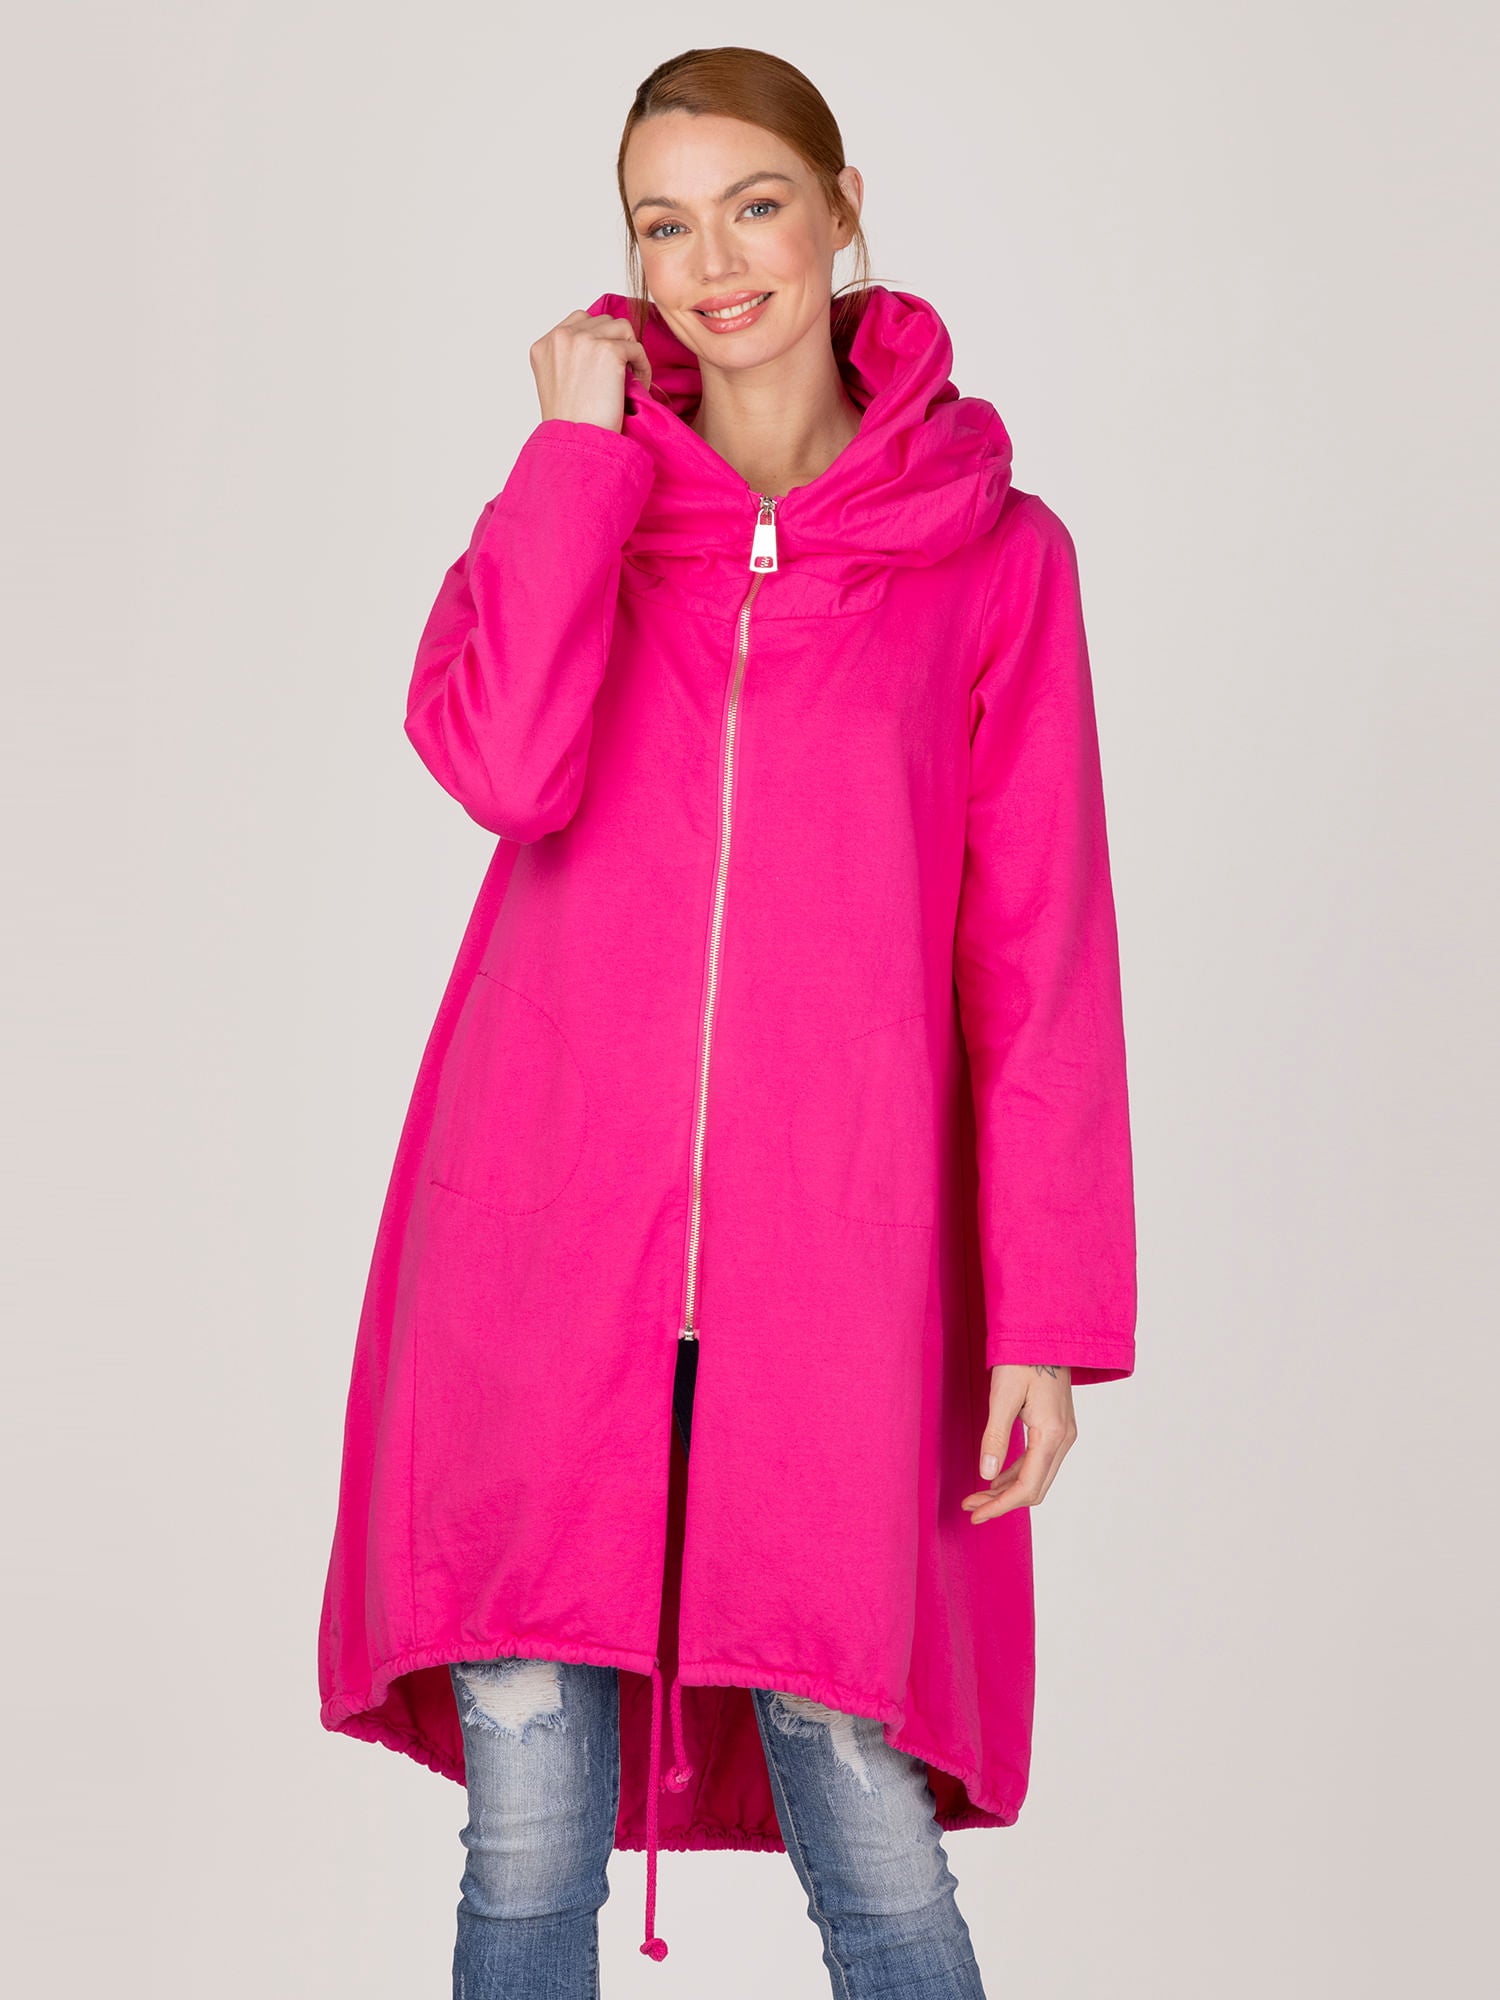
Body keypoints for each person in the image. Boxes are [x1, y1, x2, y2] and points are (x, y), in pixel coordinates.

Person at [317, 44, 1138, 1999]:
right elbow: (504, 766)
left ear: (844, 209)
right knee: (525, 1840)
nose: (712, 263)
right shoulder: (585, 505)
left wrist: (1044, 1315)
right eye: (662, 225)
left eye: (754, 205)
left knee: (869, 1813)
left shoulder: (995, 557)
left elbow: (1039, 954)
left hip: (843, 1267)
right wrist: (571, 463)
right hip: (538, 1255)